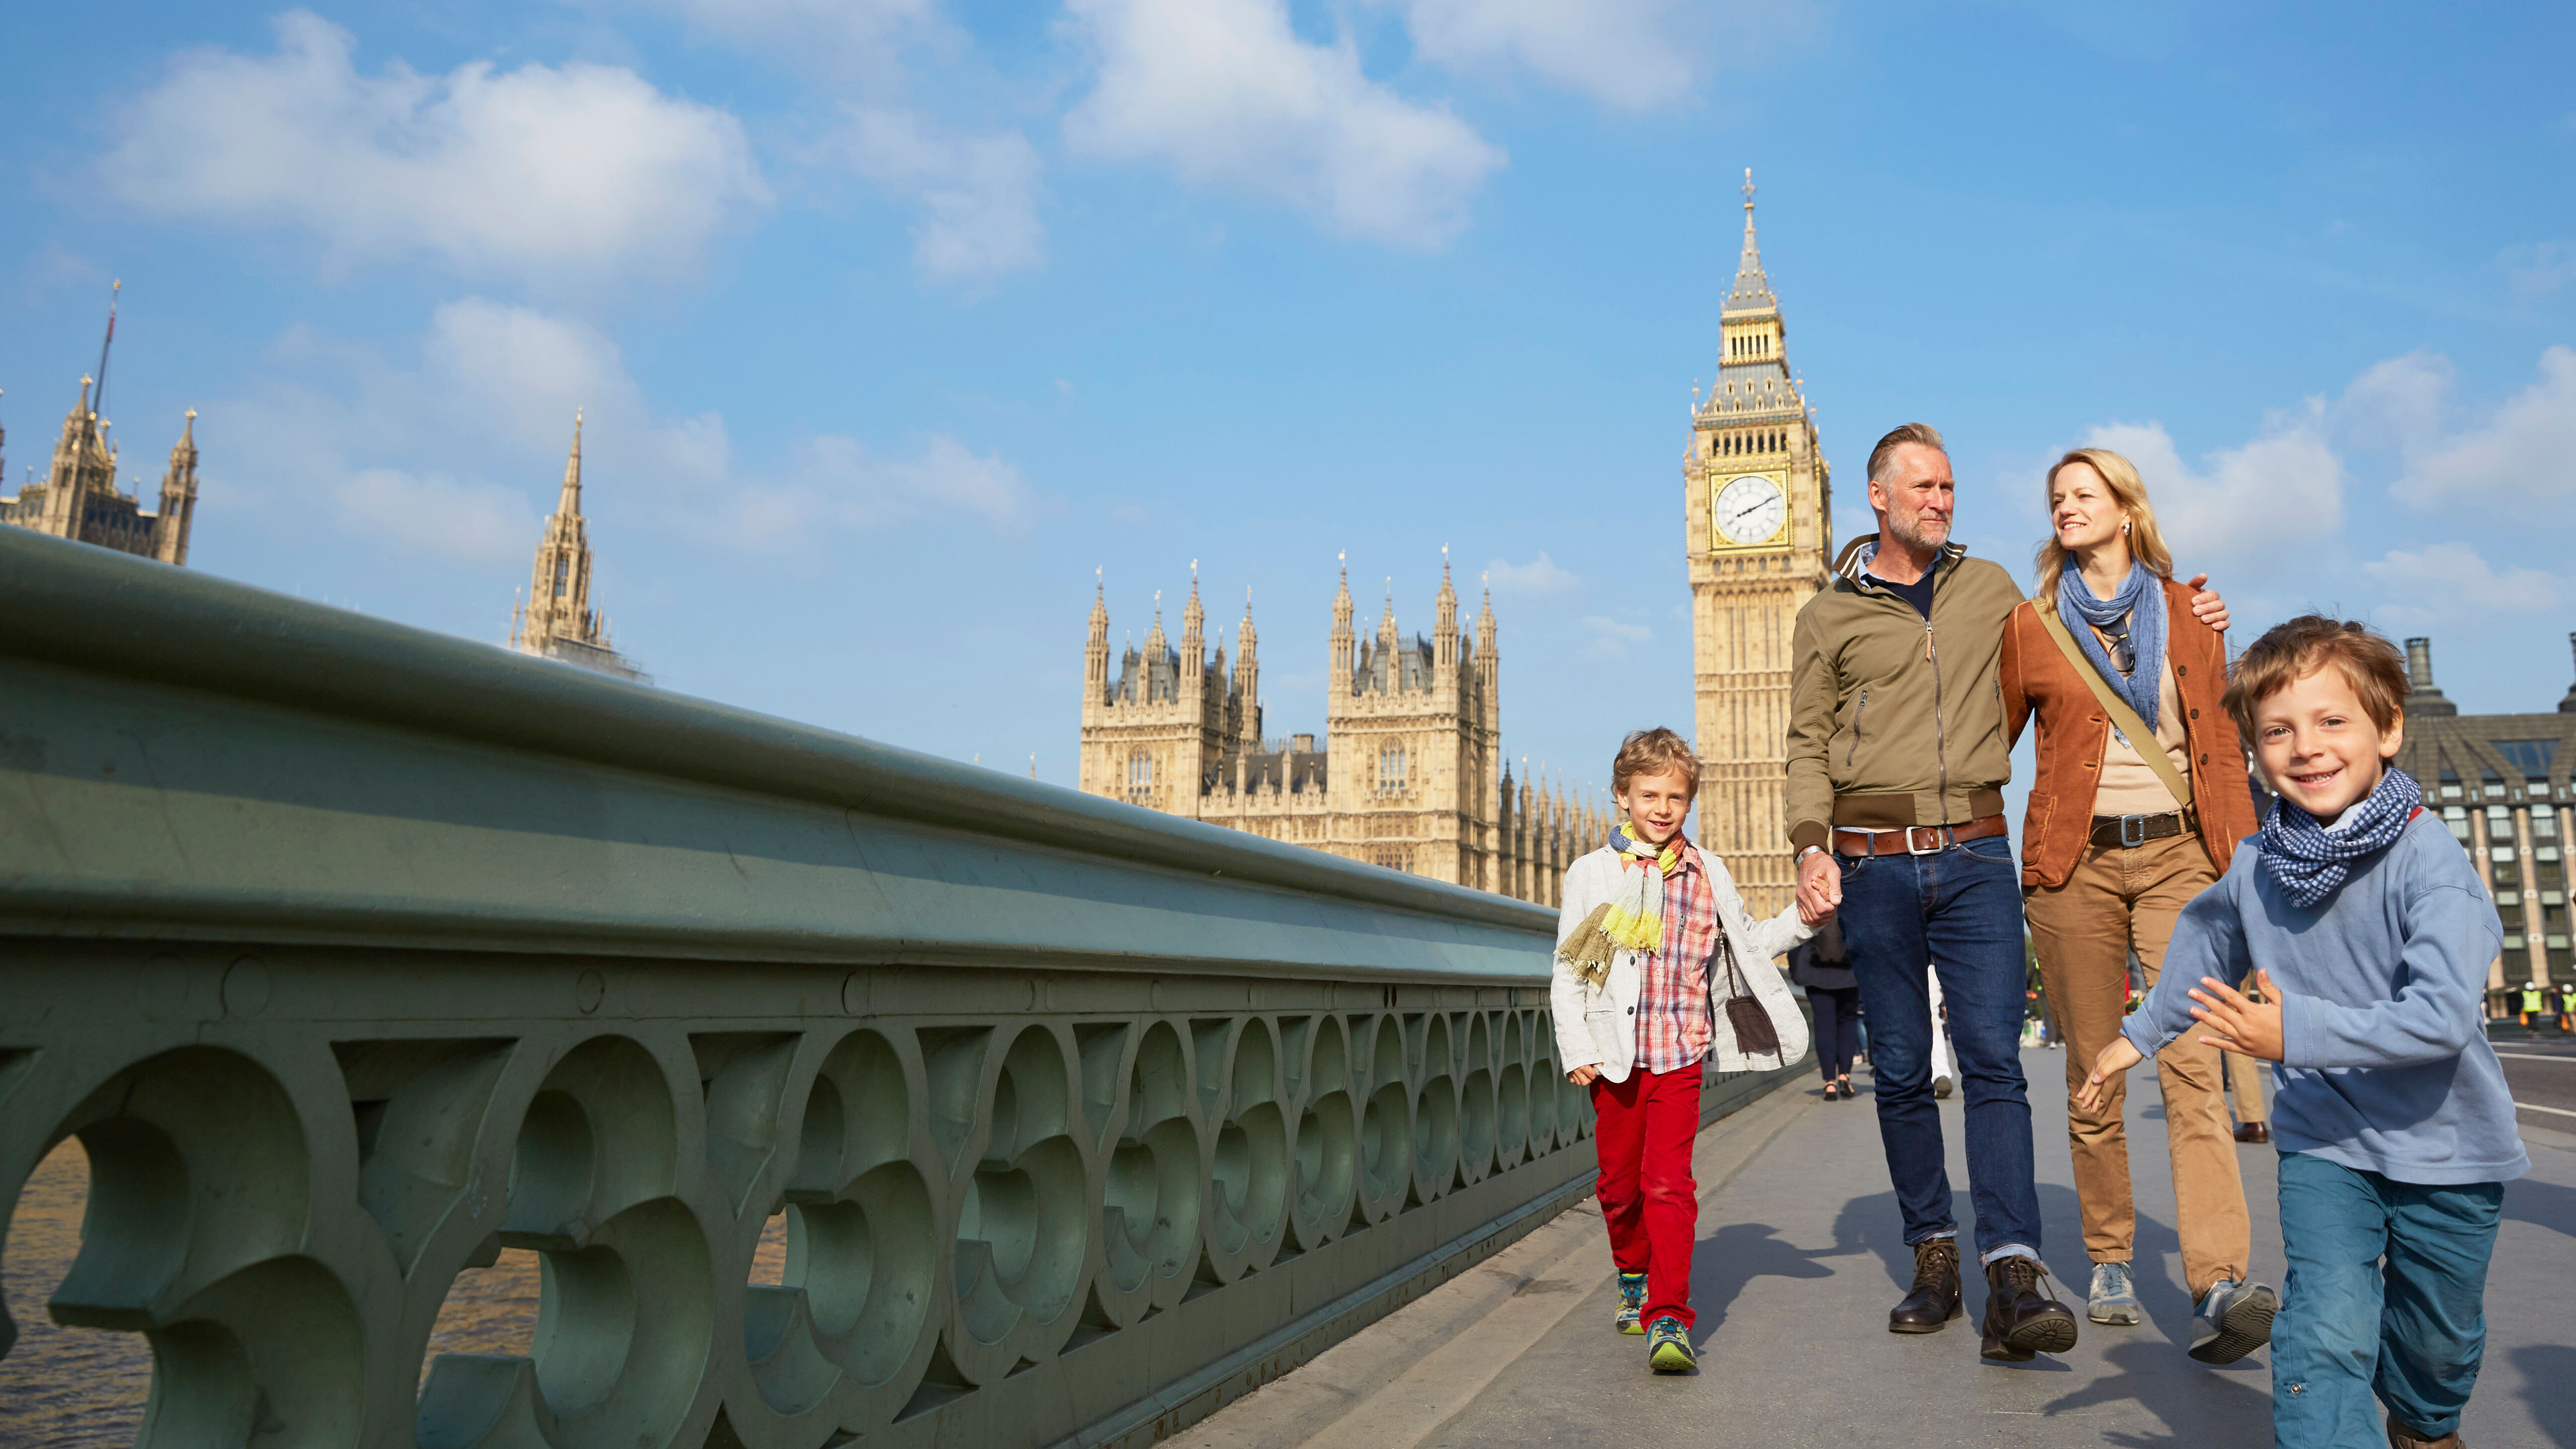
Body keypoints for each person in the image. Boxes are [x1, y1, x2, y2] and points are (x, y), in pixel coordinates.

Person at [1787, 422, 2230, 1360]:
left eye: (1949, 487)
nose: (1942, 501)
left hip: (1979, 853)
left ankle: (2013, 1268)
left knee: (1993, 1061)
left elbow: (2109, 627)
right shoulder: (1828, 614)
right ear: (1877, 496)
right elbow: (1807, 743)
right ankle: (1933, 1255)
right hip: (1870, 858)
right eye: (1924, 488)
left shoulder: (1996, 593)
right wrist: (1808, 845)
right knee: (1902, 1067)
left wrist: (2197, 608)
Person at [2082, 616, 2527, 1449]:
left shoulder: (2431, 862)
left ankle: (2426, 1425)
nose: (2307, 748)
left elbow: (2440, 1016)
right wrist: (2136, 1036)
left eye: (2333, 723)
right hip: (2327, 1144)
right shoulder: (2259, 861)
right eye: (2278, 731)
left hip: (2449, 1146)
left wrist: (2297, 1037)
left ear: (2388, 728)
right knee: (2324, 1330)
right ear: (2252, 751)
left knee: (2438, 1345)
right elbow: (2206, 948)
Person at [1998, 447, 2267, 1344]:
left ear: (2125, 509)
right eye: (2057, 499)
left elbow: (2223, 744)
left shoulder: (2193, 612)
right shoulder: (2031, 626)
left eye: (2084, 495)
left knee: (2193, 1064)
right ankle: (2110, 1253)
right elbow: (1987, 743)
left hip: (2179, 858)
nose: (2066, 509)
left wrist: (2241, 855)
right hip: (2076, 867)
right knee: (2094, 1068)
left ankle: (2220, 1280)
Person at [1551, 727, 1822, 1373]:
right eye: (1649, 794)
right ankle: (1632, 1274)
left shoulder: (1707, 871)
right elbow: (1570, 968)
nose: (1663, 808)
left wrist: (1808, 917)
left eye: (1676, 796)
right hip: (1614, 1056)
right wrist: (1575, 1044)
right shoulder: (1592, 873)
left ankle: (1668, 1315)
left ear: (1689, 801)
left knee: (1669, 1186)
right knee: (1620, 1189)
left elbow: (1752, 944)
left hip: (1679, 1054)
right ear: (1621, 798)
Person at [1790, 918, 1862, 1099]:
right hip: (1850, 972)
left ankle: (1829, 1082)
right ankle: (1844, 1075)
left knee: (1824, 1026)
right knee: (1848, 1023)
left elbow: (1794, 936)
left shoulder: (1811, 898)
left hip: (1816, 973)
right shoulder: (1852, 898)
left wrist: (1796, 972)